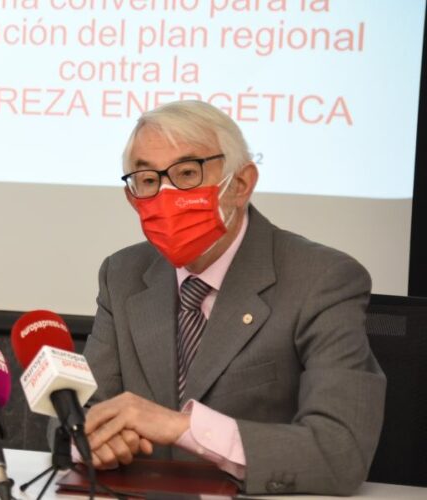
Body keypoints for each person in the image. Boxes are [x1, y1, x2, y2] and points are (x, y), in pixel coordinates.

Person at [77, 100, 385, 495]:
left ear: (240, 184)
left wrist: (181, 427)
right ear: (133, 197)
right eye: (148, 179)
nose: (166, 194)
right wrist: (89, 439)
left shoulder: (322, 279)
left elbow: (340, 452)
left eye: (187, 173)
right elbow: (78, 410)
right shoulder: (123, 274)